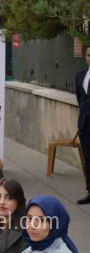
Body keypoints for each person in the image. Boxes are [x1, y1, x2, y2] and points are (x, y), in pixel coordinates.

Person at [74, 46, 90, 205]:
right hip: (85, 124)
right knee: (88, 159)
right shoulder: (80, 76)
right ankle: (89, 190)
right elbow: (80, 99)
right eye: (89, 55)